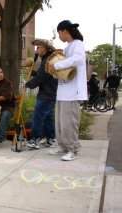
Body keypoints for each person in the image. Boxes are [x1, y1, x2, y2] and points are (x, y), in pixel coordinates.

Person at [48, 20, 88, 161]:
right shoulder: (69, 46)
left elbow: (78, 59)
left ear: (65, 31)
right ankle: (63, 147)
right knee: (60, 124)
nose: (59, 36)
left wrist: (57, 65)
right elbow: (63, 57)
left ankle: (73, 150)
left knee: (69, 123)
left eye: (59, 33)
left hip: (72, 93)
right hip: (63, 92)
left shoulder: (78, 44)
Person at [24, 39, 58, 149]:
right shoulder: (46, 60)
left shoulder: (48, 60)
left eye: (38, 47)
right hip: (49, 93)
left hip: (47, 94)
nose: (37, 50)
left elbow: (42, 77)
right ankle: (51, 139)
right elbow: (40, 74)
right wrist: (31, 71)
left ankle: (35, 140)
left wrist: (29, 84)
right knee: (48, 117)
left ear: (45, 48)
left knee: (38, 116)